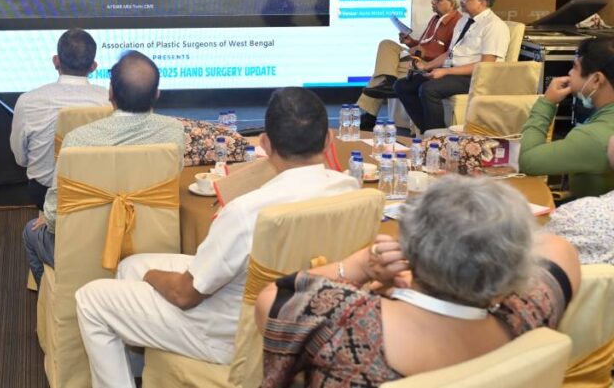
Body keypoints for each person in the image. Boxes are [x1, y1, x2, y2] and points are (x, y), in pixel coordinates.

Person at [73, 88, 359, 387]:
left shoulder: (247, 211)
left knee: (90, 300)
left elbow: (184, 295)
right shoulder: (349, 190)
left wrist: (151, 276)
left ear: (265, 143)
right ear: (328, 139)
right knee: (130, 265)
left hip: (235, 334)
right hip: (303, 320)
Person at [255, 176, 580, 387]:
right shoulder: (527, 314)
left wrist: (361, 266)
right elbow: (559, 248)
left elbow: (269, 296)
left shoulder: (342, 323)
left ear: (408, 244)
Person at [23, 50, 185, 286]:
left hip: (84, 253)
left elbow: (57, 215)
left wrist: (48, 218)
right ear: (157, 94)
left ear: (110, 93)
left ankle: (55, 297)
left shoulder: (78, 139)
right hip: (151, 250)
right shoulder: (174, 132)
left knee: (30, 232)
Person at [10, 28, 109, 210]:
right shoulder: (110, 100)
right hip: (97, 192)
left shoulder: (28, 101)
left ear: (56, 61)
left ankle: (47, 224)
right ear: (93, 66)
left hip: (45, 194)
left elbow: (21, 160)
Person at [394, 0, 509, 133]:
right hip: (454, 71)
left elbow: (486, 65)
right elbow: (450, 53)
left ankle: (436, 136)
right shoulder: (464, 21)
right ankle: (428, 131)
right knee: (402, 85)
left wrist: (446, 72)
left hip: (476, 78)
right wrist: (426, 66)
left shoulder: (494, 25)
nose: (462, 1)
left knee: (429, 89)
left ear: (482, 2)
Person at [519, 36, 614, 198]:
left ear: (596, 80)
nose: (569, 73)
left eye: (575, 67)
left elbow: (527, 161)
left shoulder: (592, 137)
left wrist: (547, 102)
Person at [357, 0, 461, 127]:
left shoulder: (457, 23)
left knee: (380, 75)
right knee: (386, 44)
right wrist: (411, 42)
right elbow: (424, 45)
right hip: (417, 57)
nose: (433, 2)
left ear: (452, 4)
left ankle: (369, 115)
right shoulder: (435, 19)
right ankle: (388, 81)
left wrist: (424, 53)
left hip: (428, 64)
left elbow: (451, 55)